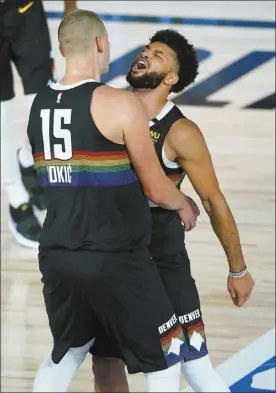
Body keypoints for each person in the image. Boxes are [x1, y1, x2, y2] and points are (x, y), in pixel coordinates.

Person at [29, 11, 200, 393]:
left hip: (57, 253)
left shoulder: (38, 105)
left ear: (60, 48)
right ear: (101, 45)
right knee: (168, 350)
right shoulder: (120, 104)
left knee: (67, 353)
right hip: (115, 256)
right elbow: (156, 187)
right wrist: (183, 202)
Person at [89, 30, 256, 392]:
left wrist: (238, 268)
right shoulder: (108, 106)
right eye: (147, 49)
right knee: (106, 362)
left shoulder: (180, 132)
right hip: (110, 255)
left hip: (160, 257)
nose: (145, 55)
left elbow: (213, 201)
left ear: (171, 79)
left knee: (191, 366)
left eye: (159, 54)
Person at [0, 0, 76, 248]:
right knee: (1, 112)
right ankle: (16, 196)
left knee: (47, 101)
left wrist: (70, 13)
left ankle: (26, 159)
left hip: (26, 9)